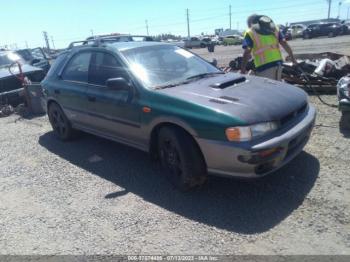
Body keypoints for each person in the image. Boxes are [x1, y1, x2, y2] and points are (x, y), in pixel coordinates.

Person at [240, 14, 298, 81]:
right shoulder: (274, 29)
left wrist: (243, 70)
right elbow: (284, 43)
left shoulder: (250, 32)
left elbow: (247, 51)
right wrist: (293, 59)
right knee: (277, 86)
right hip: (278, 64)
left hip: (264, 67)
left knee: (267, 89)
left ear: (250, 23)